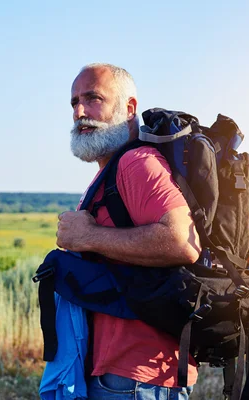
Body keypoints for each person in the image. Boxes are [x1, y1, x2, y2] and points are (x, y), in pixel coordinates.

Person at [56, 63, 201, 399]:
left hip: (137, 378)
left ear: (129, 108)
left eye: (93, 98)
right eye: (74, 102)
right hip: (123, 374)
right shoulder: (113, 169)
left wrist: (88, 237)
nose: (80, 111)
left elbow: (182, 241)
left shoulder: (137, 163)